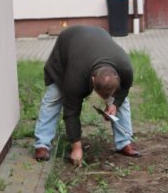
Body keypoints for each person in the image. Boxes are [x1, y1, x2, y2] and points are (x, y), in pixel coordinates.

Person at [33, 25, 140, 166]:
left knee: (122, 102)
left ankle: (124, 142)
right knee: (54, 96)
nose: (104, 98)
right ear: (93, 79)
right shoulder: (76, 77)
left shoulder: (125, 67)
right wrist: (76, 147)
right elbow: (71, 112)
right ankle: (42, 145)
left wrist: (115, 104)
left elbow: (124, 88)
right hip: (67, 46)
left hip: (96, 40)